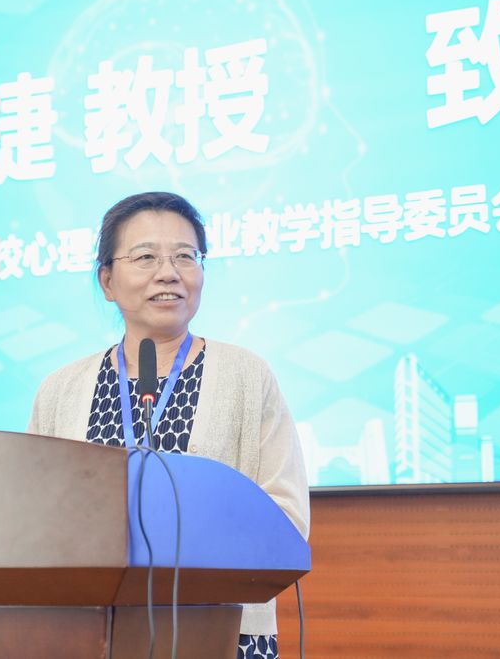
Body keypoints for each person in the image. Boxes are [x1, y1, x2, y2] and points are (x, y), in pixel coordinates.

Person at [27, 192, 310, 659]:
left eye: (185, 256)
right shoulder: (61, 390)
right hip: (87, 632)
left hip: (223, 631)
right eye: (145, 257)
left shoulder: (246, 375)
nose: (169, 273)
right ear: (107, 280)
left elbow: (287, 514)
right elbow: (32, 518)